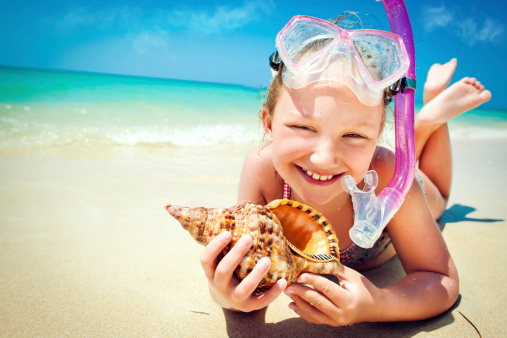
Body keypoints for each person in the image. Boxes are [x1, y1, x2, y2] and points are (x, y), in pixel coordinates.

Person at [198, 15, 491, 326]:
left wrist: (380, 304)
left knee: (440, 199)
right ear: (269, 125)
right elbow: (244, 271)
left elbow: (441, 278)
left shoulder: (388, 175)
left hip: (390, 182)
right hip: (370, 165)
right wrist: (225, 295)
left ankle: (430, 115)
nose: (324, 159)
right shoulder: (262, 170)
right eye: (303, 127)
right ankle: (420, 121)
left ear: (377, 137)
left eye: (354, 135)